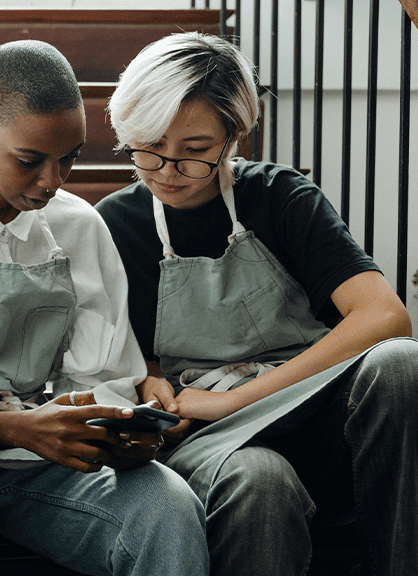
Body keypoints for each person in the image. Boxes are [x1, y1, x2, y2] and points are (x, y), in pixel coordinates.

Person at [0, 39, 209, 576]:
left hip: (39, 465)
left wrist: (114, 432)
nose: (52, 182)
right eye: (29, 160)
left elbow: (102, 374)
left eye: (69, 159)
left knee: (167, 506)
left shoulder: (80, 225)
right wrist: (18, 428)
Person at [96, 31, 418, 576]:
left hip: (312, 412)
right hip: (212, 439)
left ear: (235, 134)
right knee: (261, 480)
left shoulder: (281, 197)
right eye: (147, 148)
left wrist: (235, 399)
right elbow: (120, 358)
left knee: (401, 364)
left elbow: (386, 317)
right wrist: (150, 384)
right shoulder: (113, 224)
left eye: (195, 152)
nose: (167, 172)